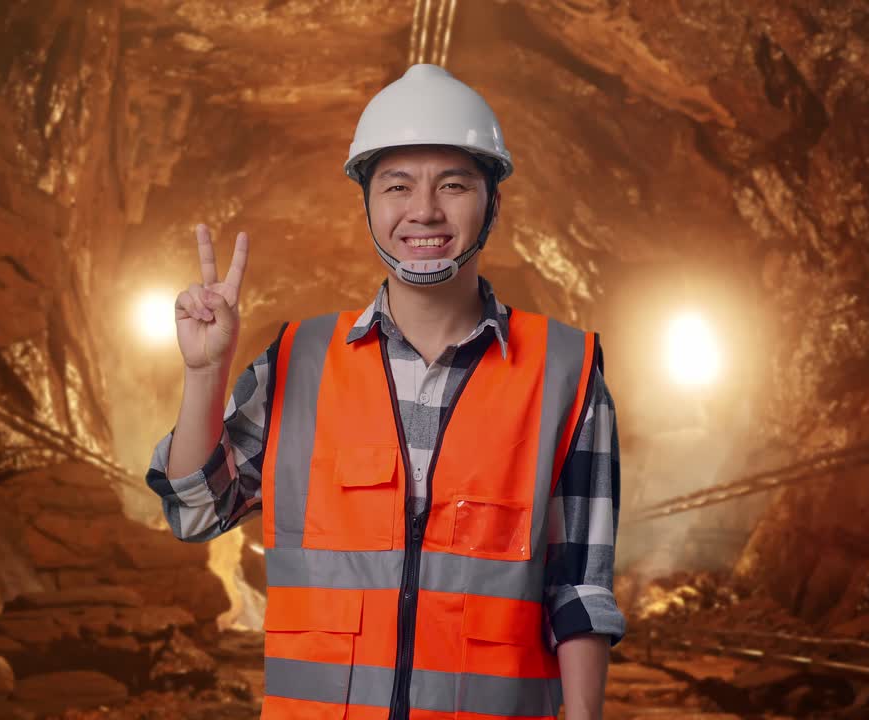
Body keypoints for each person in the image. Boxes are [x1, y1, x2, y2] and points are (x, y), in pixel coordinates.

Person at [147, 64, 625, 720]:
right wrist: (206, 373)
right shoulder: (299, 361)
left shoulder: (566, 374)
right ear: (368, 204)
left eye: (453, 184)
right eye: (397, 186)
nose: (424, 210)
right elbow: (195, 512)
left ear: (492, 201)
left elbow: (579, 593)